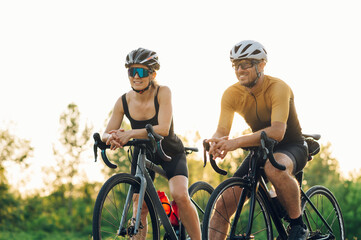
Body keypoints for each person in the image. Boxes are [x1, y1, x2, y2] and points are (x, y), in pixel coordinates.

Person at [206, 40, 309, 240]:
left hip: (291, 146)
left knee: (273, 167)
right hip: (259, 150)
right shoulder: (231, 93)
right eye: (235, 65)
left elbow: (277, 132)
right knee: (223, 204)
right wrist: (215, 141)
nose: (239, 70)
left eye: (245, 64)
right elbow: (222, 129)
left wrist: (236, 142)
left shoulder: (278, 87)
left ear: (261, 65)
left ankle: (298, 226)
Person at [103, 48, 201, 240]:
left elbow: (163, 129)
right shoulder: (123, 101)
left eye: (141, 72)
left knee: (179, 194)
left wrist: (130, 133)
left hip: (170, 151)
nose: (136, 77)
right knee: (140, 204)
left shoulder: (163, 92)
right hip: (143, 153)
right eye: (132, 72)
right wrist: (111, 138)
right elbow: (107, 132)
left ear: (153, 73)